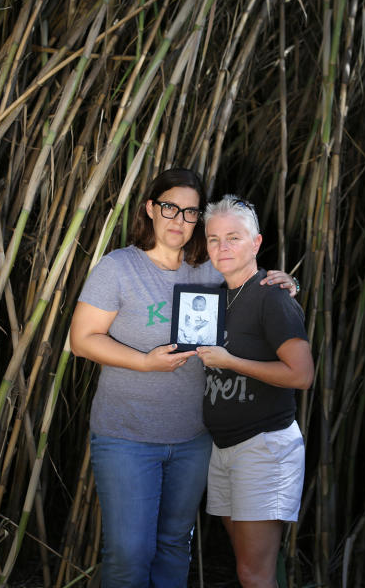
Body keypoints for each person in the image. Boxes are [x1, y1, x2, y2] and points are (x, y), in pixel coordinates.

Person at [69, 169, 298, 587]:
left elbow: (253, 284)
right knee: (128, 554)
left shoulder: (209, 271)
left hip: (193, 438)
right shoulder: (118, 267)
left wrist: (284, 279)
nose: (179, 219)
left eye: (191, 212)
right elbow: (82, 340)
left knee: (175, 544)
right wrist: (145, 363)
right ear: (151, 209)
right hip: (126, 436)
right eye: (170, 207)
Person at [196, 195, 314, 588]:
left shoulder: (272, 297)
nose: (222, 247)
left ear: (256, 243)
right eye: (214, 239)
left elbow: (301, 374)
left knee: (254, 573)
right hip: (225, 448)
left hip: (264, 448)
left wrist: (230, 361)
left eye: (233, 237)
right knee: (249, 567)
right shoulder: (215, 298)